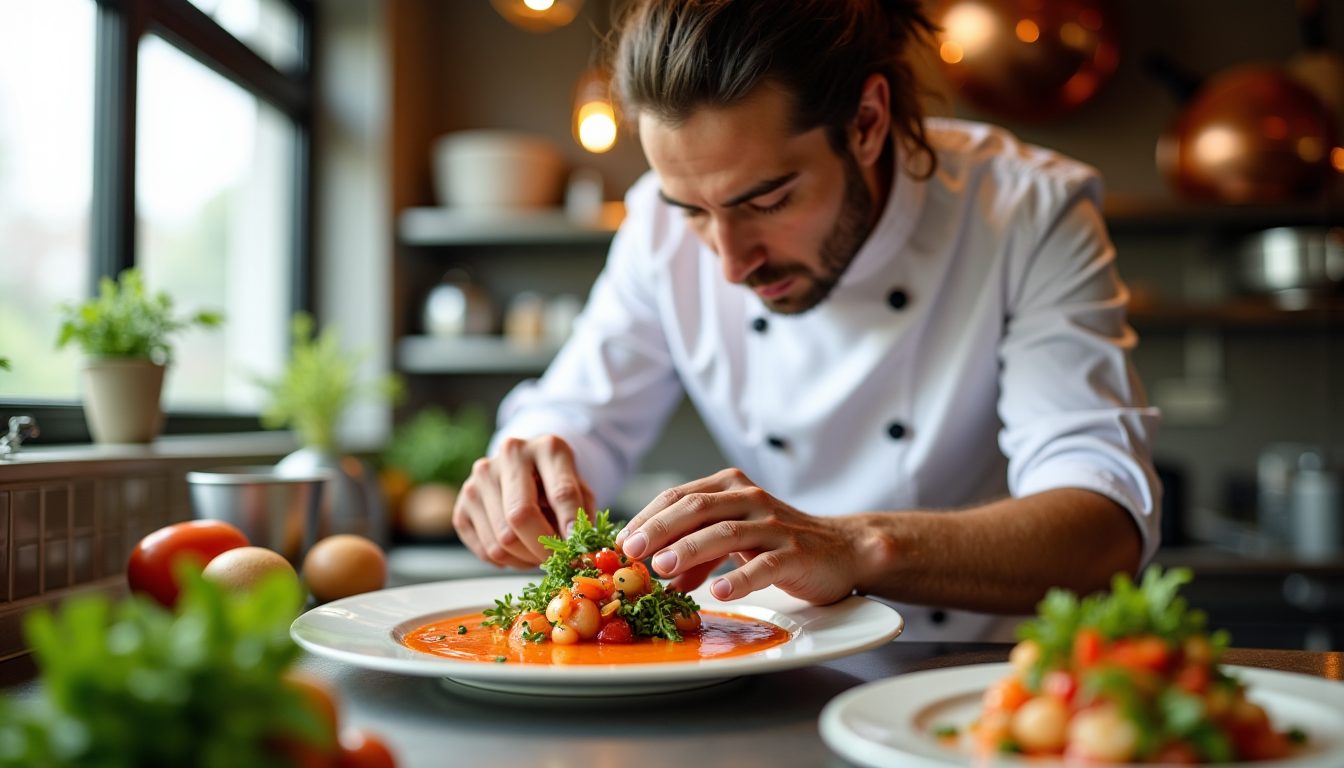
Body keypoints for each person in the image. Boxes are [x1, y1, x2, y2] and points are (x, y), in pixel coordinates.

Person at [452, 0, 1161, 640]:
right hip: (770, 664)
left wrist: (855, 545)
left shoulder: (1028, 212)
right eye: (694, 212)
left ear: (867, 122)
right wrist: (531, 467)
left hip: (973, 676)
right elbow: (583, 415)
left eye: (766, 202)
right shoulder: (655, 225)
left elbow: (1103, 527)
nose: (729, 263)